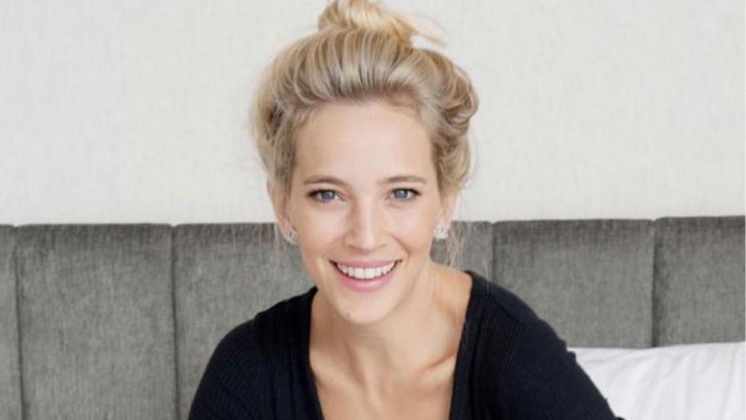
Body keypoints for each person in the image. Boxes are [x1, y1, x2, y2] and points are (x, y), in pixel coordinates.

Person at [188, 1, 624, 419]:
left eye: (400, 193)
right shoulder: (245, 375)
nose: (365, 237)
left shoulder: (513, 355)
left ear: (445, 201)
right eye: (328, 195)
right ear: (282, 204)